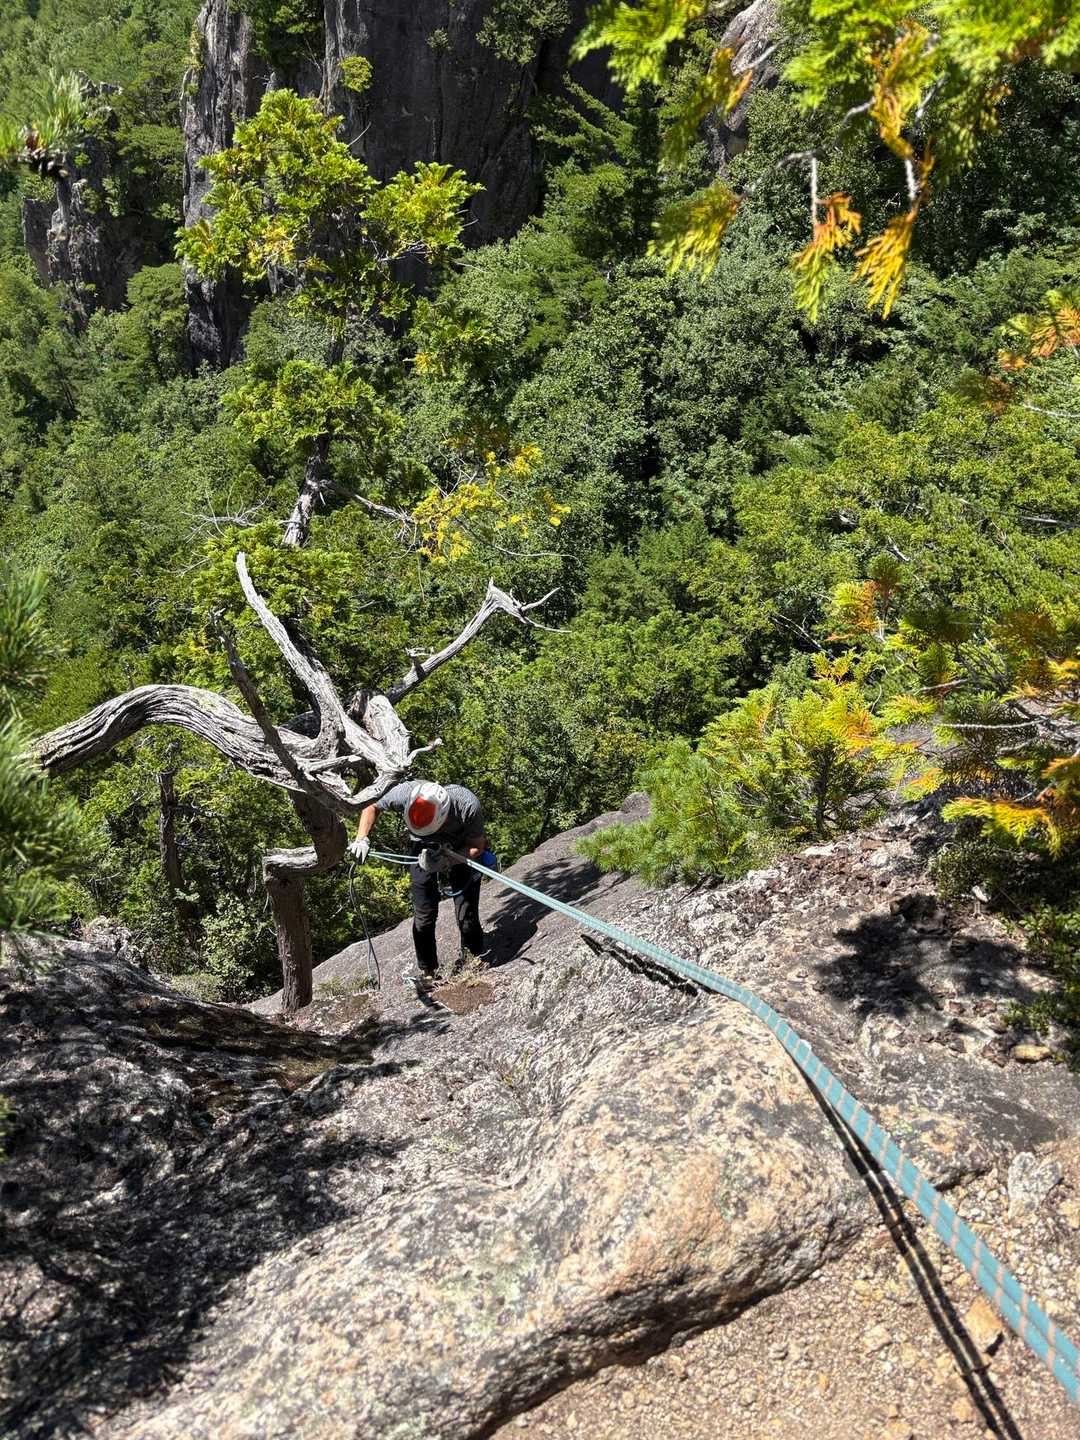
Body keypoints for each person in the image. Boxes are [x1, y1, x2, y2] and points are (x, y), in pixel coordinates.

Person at [349, 780, 490, 992]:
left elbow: (477, 847)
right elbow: (372, 805)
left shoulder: (467, 804)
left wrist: (446, 861)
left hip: (460, 848)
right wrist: (361, 838)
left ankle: (473, 962)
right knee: (423, 915)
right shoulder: (405, 793)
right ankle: (428, 971)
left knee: (466, 915)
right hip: (420, 848)